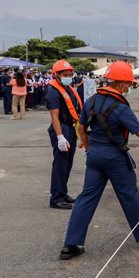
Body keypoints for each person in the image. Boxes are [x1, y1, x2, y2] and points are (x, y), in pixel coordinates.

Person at [60, 62, 139, 260]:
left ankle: (72, 244)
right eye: (128, 84)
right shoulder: (119, 107)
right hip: (115, 157)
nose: (129, 87)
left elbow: (81, 127)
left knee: (86, 197)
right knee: (128, 195)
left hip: (94, 156)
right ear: (120, 84)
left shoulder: (92, 100)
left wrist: (88, 147)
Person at [46, 60, 83, 209]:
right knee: (60, 164)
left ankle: (62, 192)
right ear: (57, 75)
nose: (68, 76)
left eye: (70, 74)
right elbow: (54, 116)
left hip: (71, 128)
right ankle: (56, 198)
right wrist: (60, 137)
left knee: (67, 164)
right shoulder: (53, 92)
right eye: (65, 74)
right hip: (61, 129)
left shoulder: (67, 88)